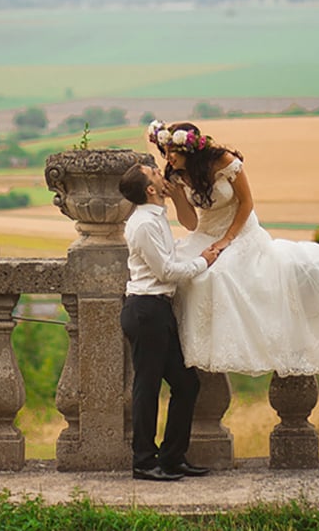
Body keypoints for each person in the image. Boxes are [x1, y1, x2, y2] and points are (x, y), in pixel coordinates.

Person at [147, 120, 319, 377]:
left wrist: (227, 241)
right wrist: (177, 200)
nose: (168, 157)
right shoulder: (176, 174)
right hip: (205, 232)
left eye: (173, 151)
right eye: (166, 151)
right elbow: (191, 223)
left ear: (191, 150)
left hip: (241, 231)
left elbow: (246, 204)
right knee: (193, 273)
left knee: (224, 274)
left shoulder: (225, 162)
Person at [118, 162, 219, 481]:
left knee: (186, 384)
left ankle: (173, 457)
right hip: (146, 310)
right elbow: (165, 271)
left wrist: (195, 255)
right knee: (146, 388)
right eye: (155, 174)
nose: (162, 174)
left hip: (157, 310)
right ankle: (144, 462)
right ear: (150, 189)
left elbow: (170, 259)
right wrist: (203, 262)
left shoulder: (154, 218)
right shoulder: (144, 224)